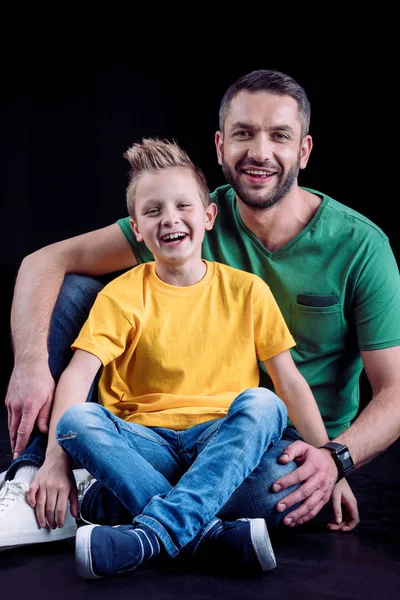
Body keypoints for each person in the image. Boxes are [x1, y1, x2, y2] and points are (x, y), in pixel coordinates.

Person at [2, 68, 399, 547]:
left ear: (304, 150)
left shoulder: (359, 245)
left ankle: (116, 505)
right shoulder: (182, 211)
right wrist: (29, 366)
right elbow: (44, 262)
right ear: (219, 146)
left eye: (279, 136)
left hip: (280, 446)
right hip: (154, 430)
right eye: (243, 134)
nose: (260, 152)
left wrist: (335, 461)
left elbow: (394, 392)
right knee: (73, 293)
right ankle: (39, 478)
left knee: (267, 490)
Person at [22, 137, 356, 578]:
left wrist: (336, 468)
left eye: (183, 206)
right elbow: (79, 372)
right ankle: (205, 535)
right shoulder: (123, 293)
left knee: (265, 405)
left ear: (209, 216)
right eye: (153, 211)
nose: (170, 219)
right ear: (137, 228)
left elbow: (289, 384)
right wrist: (53, 460)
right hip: (146, 444)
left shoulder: (247, 291)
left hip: (223, 443)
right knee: (77, 421)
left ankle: (144, 529)